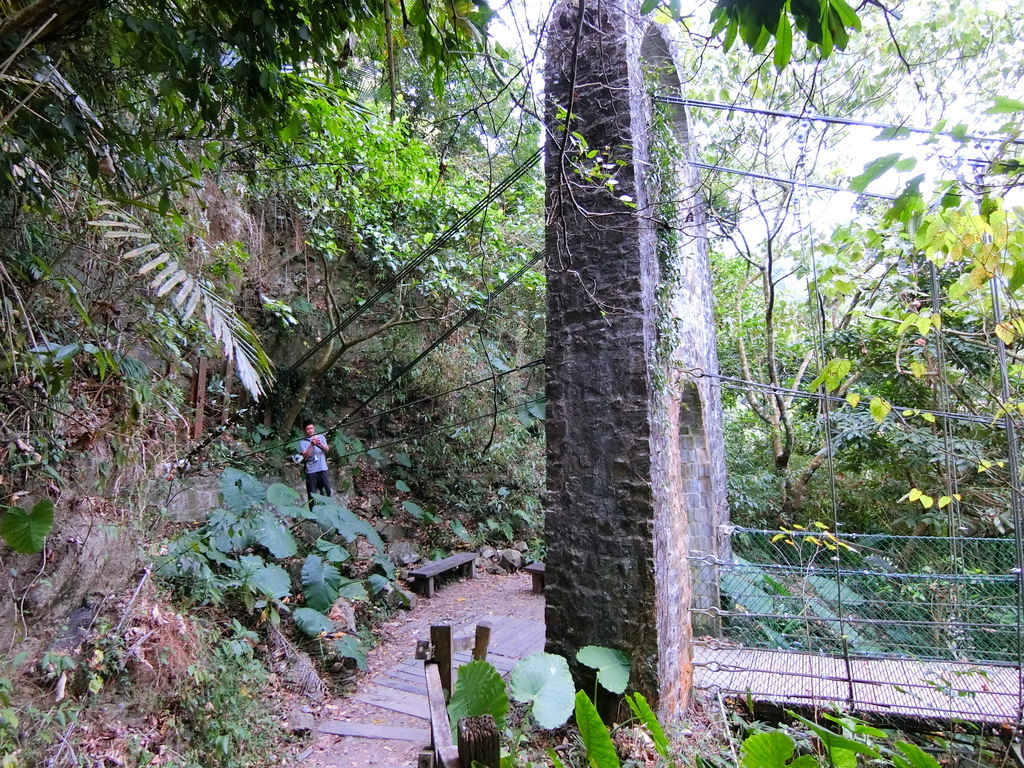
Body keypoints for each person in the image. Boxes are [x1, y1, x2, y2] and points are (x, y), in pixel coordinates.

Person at [298, 419, 331, 508]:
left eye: (311, 428)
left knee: (327, 490)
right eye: (308, 429)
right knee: (312, 493)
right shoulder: (303, 442)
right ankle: (312, 513)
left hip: (322, 468)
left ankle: (327, 509)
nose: (310, 430)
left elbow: (327, 449)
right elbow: (305, 456)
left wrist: (320, 443)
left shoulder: (321, 437)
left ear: (314, 428)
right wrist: (311, 445)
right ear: (304, 431)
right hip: (311, 471)